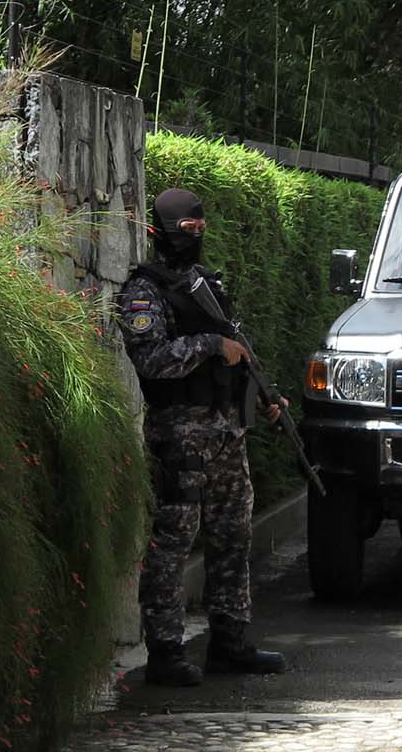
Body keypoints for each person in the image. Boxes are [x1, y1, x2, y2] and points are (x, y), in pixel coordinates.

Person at [117, 188, 287, 686]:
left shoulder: (206, 285)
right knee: (173, 542)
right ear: (161, 231)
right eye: (185, 230)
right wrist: (212, 344)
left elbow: (239, 358)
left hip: (225, 433)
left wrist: (263, 397)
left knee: (233, 536)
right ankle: (165, 651)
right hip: (180, 435)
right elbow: (151, 359)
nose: (194, 236)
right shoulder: (142, 291)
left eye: (200, 229)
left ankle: (230, 642)